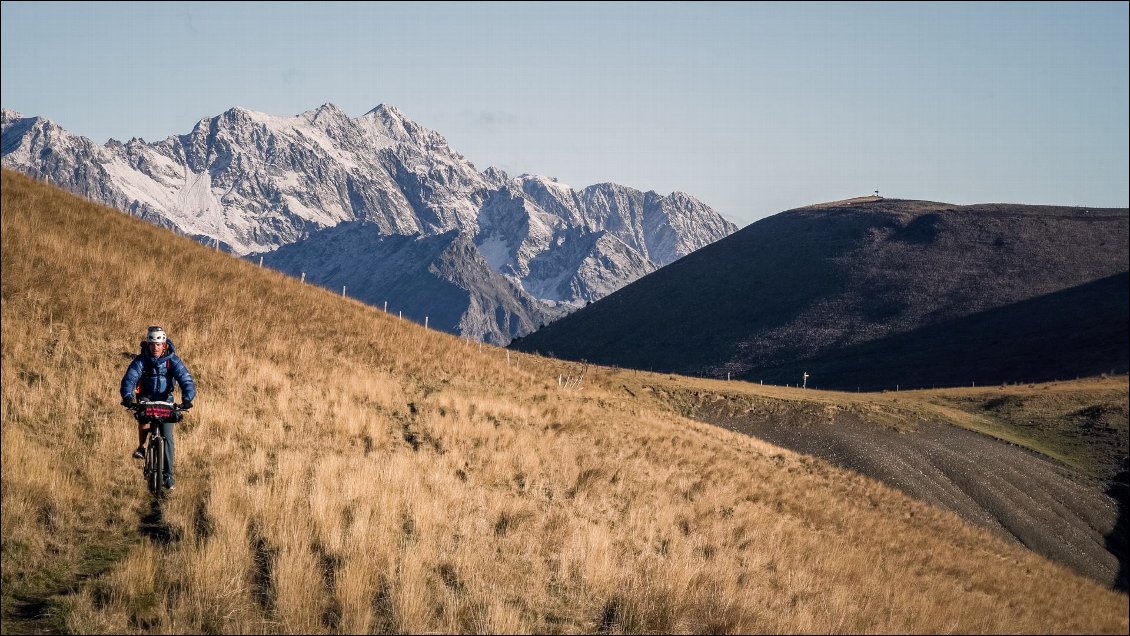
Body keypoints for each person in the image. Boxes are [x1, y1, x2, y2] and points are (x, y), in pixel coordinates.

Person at [120, 325, 195, 490]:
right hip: (145, 399)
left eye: (159, 344)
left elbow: (185, 379)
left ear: (164, 345)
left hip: (166, 401)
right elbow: (130, 378)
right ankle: (141, 447)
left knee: (168, 437)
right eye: (152, 344)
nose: (155, 348)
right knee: (143, 421)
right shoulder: (141, 360)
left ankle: (168, 476)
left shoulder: (172, 360)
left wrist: (187, 398)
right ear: (148, 344)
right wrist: (127, 396)